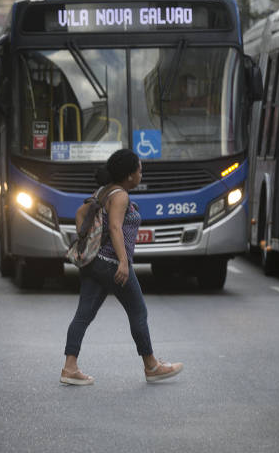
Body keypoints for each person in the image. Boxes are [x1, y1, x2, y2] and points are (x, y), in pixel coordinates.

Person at [61, 148, 183, 385]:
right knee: (138, 311)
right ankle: (151, 365)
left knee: (83, 315)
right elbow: (116, 228)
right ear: (129, 175)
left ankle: (69, 367)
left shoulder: (103, 192)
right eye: (139, 170)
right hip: (111, 263)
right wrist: (124, 262)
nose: (141, 174)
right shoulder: (120, 196)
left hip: (94, 263)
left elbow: (80, 212)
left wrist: (88, 239)